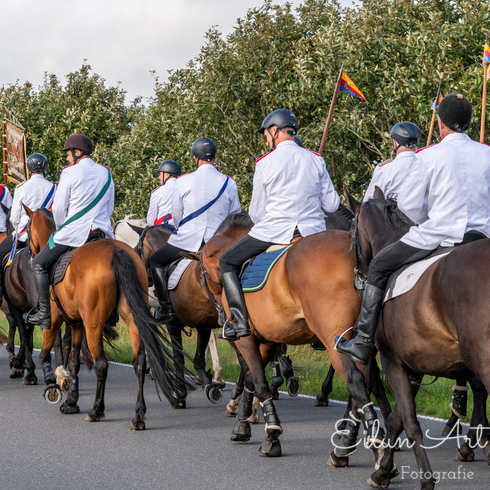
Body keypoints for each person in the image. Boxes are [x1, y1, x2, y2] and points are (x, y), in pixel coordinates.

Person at [336, 93, 490, 364]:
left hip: (439, 235)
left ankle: (363, 342)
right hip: (483, 237)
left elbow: (413, 208)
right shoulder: (489, 153)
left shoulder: (428, 155)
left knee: (378, 266)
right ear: (469, 122)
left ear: (441, 124)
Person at [219, 110, 340, 339]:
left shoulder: (264, 163)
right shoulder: (316, 159)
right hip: (313, 233)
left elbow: (256, 213)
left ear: (275, 131)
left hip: (274, 231)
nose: (266, 139)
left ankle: (239, 323)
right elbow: (332, 205)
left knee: (227, 261)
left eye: (266, 134)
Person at [26, 134, 115, 328]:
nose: (67, 158)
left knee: (39, 263)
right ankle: (113, 312)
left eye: (68, 154)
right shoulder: (106, 173)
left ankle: (44, 314)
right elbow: (109, 208)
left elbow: (59, 209)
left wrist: (60, 228)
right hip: (101, 233)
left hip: (74, 233)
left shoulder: (69, 172)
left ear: (77, 152)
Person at [149, 138, 241, 322]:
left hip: (188, 240)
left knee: (156, 261)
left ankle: (166, 308)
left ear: (195, 158)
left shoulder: (183, 181)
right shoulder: (229, 183)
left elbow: (176, 215)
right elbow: (235, 215)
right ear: (215, 157)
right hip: (219, 243)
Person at [0, 153, 56, 307]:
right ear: (45, 168)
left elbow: (14, 218)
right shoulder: (54, 188)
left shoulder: (22, 188)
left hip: (25, 236)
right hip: (48, 238)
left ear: (28, 169)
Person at [363, 121, 429, 224]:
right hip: (426, 227)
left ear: (395, 143)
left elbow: (367, 204)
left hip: (395, 229)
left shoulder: (384, 169)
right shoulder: (429, 165)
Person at [146, 160, 182, 228]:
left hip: (163, 229)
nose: (159, 177)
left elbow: (150, 220)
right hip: (183, 228)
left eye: (160, 174)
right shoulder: (185, 187)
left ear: (167, 175)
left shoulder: (157, 192)